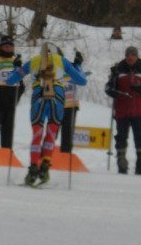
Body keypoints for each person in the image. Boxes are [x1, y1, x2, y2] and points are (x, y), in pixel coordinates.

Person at [7, 42, 87, 185]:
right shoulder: (61, 61)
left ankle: (33, 169)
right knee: (51, 134)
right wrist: (78, 65)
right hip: (57, 97)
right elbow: (82, 81)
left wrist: (16, 67)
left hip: (38, 97)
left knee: (37, 134)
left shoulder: (34, 61)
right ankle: (44, 168)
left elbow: (10, 80)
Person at [105, 45, 141, 174]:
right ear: (125, 56)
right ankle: (122, 163)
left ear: (137, 57)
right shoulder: (117, 70)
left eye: (132, 55)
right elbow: (108, 87)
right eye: (128, 55)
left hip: (138, 110)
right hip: (122, 110)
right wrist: (113, 92)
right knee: (121, 137)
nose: (130, 57)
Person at [59, 50, 86, 154]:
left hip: (70, 105)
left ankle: (66, 154)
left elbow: (82, 78)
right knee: (52, 131)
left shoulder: (70, 67)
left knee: (68, 133)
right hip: (57, 104)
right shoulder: (53, 68)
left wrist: (78, 64)